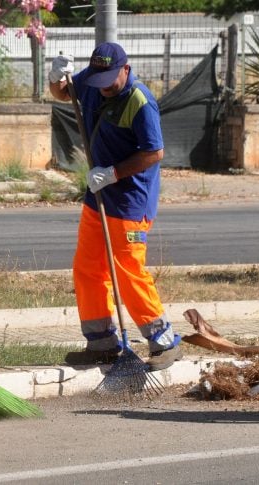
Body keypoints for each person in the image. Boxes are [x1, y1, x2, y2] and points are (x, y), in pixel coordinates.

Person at [48, 42, 182, 371]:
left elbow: (154, 152)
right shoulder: (95, 80)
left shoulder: (140, 100)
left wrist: (113, 173)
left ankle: (162, 340)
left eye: (111, 78)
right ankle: (103, 343)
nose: (105, 85)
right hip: (97, 198)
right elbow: (65, 94)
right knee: (88, 268)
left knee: (127, 272)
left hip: (129, 201)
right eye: (99, 78)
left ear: (126, 68)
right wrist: (55, 78)